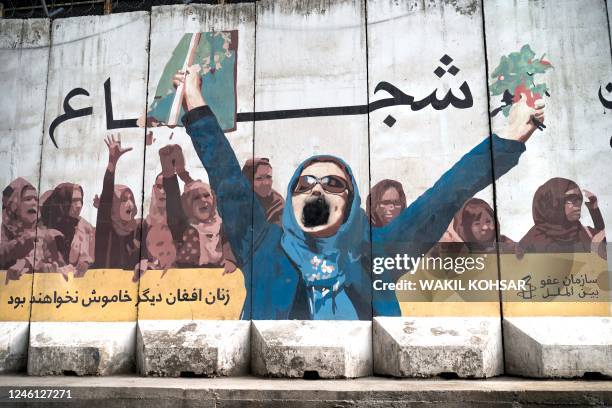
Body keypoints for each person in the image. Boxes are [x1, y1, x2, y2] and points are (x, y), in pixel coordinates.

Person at [174, 64, 545, 319]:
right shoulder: (261, 244)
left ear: (349, 204)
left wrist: (507, 141)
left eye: (332, 184)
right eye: (306, 183)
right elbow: (226, 178)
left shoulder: (375, 251)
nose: (317, 189)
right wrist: (193, 97)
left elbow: (443, 197)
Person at [158, 144, 236, 273]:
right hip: (187, 280)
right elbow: (173, 201)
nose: (203, 200)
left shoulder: (220, 224)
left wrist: (230, 261)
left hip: (216, 279)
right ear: (187, 206)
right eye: (196, 198)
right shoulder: (183, 226)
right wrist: (168, 169)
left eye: (206, 196)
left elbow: (227, 246)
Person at [1, 178, 70, 282]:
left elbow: (60, 267)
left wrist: (29, 263)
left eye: (35, 199)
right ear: (15, 205)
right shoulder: (5, 230)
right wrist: (25, 240)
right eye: (28, 199)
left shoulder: (46, 235)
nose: (34, 203)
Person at [519, 178, 605, 255]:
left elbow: (603, 253)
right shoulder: (531, 240)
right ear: (553, 203)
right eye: (572, 199)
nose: (578, 204)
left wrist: (594, 210)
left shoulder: (585, 233)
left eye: (579, 199)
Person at [93, 134, 140, 270]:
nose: (129, 203)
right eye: (123, 200)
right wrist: (112, 161)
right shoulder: (106, 227)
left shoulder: (137, 230)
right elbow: (107, 195)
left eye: (131, 199)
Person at [40, 183, 95, 277]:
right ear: (61, 202)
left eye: (80, 200)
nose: (79, 205)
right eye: (73, 200)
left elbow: (91, 256)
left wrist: (87, 262)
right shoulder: (44, 229)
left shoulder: (86, 228)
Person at [430, 198, 516, 256]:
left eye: (488, 221)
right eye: (477, 223)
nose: (485, 227)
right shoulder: (453, 244)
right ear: (466, 229)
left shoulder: (503, 242)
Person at [241, 158, 285, 225]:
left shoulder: (278, 203)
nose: (266, 183)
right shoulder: (236, 199)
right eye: (259, 178)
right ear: (247, 181)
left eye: (268, 177)